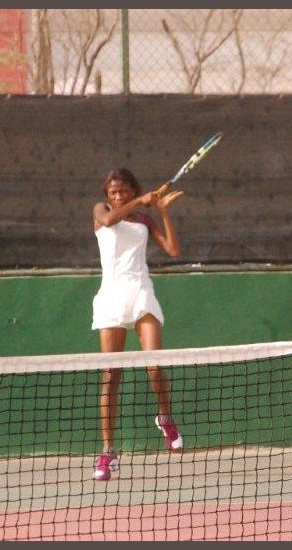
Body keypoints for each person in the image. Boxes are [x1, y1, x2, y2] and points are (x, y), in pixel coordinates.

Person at [90, 168, 185, 481]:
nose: (118, 196)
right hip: (111, 296)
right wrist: (140, 201)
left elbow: (173, 250)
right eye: (113, 192)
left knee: (155, 365)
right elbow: (108, 220)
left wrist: (162, 211)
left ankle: (165, 418)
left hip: (141, 291)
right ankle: (108, 452)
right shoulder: (101, 211)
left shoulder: (145, 219)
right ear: (108, 195)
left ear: (132, 190)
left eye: (124, 191)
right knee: (111, 376)